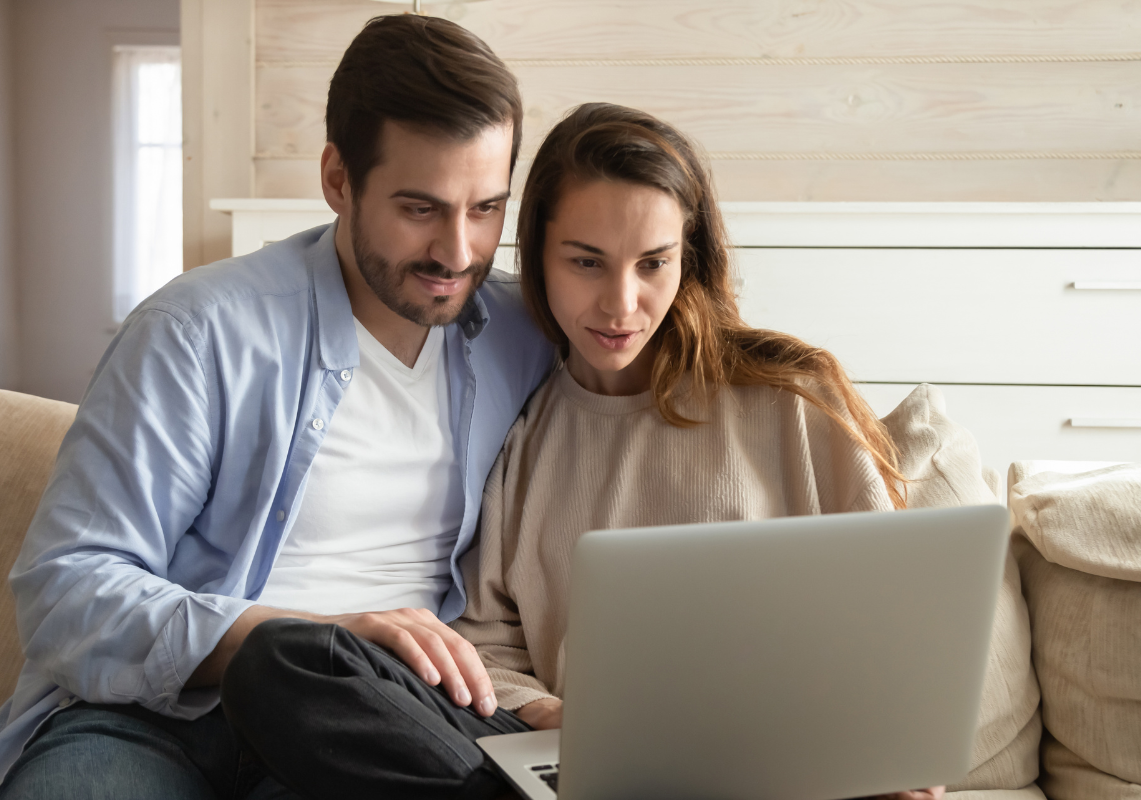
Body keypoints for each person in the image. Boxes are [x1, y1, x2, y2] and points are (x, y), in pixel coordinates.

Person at [219, 104, 943, 800]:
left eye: (653, 264)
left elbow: (889, 619)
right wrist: (545, 714)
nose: (621, 304)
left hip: (773, 762)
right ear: (538, 256)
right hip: (575, 758)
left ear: (687, 259)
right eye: (587, 263)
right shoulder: (522, 423)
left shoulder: (791, 402)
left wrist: (890, 747)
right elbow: (489, 644)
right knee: (282, 660)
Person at [0, 15, 554, 798]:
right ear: (337, 179)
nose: (458, 252)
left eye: (487, 208)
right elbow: (68, 587)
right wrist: (293, 639)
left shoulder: (525, 335)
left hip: (377, 722)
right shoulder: (197, 333)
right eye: (420, 208)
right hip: (156, 713)